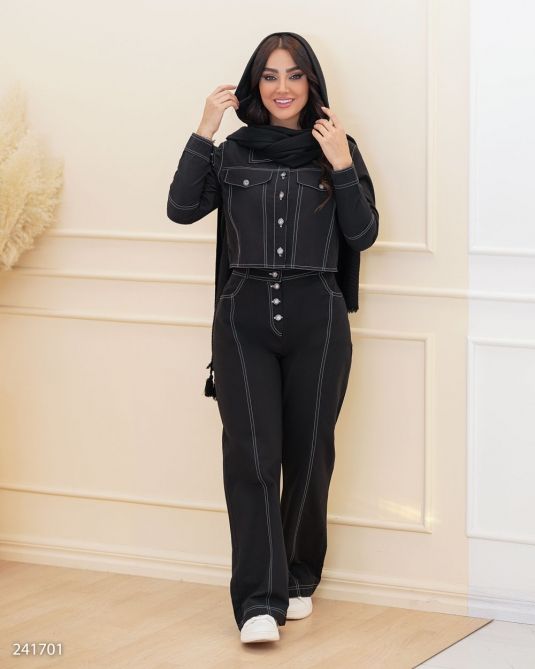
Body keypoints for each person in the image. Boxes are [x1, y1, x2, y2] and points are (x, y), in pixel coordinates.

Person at [167, 31, 379, 644]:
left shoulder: (337, 147)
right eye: (269, 75)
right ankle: (258, 602)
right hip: (244, 319)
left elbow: (363, 234)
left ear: (311, 82)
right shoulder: (232, 151)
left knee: (310, 454)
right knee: (251, 459)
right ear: (253, 84)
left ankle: (298, 577)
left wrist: (341, 164)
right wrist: (204, 128)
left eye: (294, 75)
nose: (282, 88)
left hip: (319, 317)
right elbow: (181, 207)